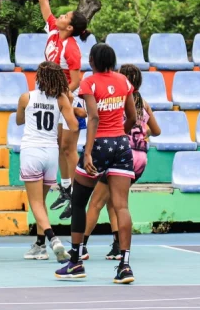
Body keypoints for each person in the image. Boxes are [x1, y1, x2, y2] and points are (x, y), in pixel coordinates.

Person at [55, 43, 137, 284]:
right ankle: (125, 266)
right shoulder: (124, 81)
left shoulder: (89, 82)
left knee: (79, 201)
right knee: (121, 206)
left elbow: (93, 117)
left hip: (99, 145)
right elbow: (131, 117)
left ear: (92, 61)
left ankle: (76, 262)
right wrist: (119, 136)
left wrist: (88, 152)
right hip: (122, 146)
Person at [70, 64, 161, 262]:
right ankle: (117, 244)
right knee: (115, 201)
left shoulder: (119, 100)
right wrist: (144, 132)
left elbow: (101, 119)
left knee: (96, 202)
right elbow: (156, 130)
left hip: (119, 152)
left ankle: (81, 246)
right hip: (140, 158)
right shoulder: (143, 103)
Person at [38, 0, 91, 220]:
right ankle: (67, 188)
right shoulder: (51, 31)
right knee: (60, 147)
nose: (59, 15)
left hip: (68, 100)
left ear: (69, 27)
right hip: (56, 99)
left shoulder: (71, 47)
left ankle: (76, 191)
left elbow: (77, 80)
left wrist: (65, 95)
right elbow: (43, 1)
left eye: (65, 16)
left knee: (68, 149)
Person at [18, 62, 77, 262]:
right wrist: (72, 106)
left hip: (32, 151)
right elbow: (73, 125)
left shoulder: (26, 97)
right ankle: (40, 245)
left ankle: (53, 240)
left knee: (35, 202)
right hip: (51, 153)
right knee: (41, 202)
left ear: (39, 77)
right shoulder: (62, 99)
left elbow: (19, 120)